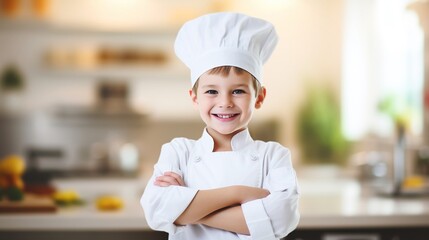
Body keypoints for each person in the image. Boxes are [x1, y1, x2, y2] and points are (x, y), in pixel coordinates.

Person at [140, 12, 300, 240]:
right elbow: (155, 209)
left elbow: (282, 218)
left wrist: (186, 209)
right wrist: (238, 193)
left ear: (259, 97)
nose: (225, 102)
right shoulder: (179, 151)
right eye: (212, 91)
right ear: (195, 97)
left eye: (238, 91)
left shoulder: (273, 155)